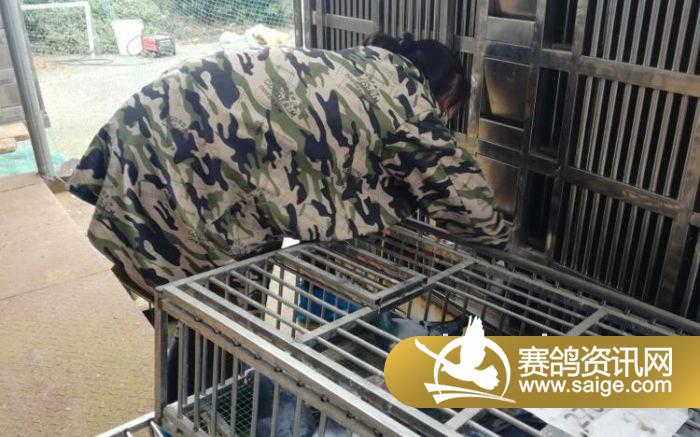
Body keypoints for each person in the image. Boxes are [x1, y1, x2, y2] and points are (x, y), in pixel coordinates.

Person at [69, 32, 510, 298]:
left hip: (151, 121)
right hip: (189, 162)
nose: (445, 119)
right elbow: (462, 197)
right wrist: (508, 244)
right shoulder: (408, 100)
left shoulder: (362, 67)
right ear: (444, 93)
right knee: (218, 313)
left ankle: (203, 397)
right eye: (450, 110)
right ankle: (208, 406)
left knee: (203, 305)